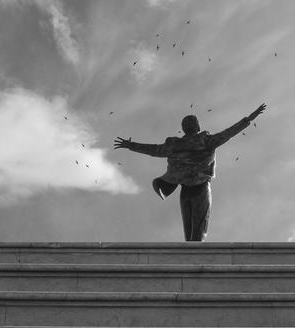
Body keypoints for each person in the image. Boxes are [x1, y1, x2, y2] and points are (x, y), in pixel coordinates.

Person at [113, 103, 266, 241]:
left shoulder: (173, 145)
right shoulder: (205, 141)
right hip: (200, 189)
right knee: (198, 234)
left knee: (190, 235)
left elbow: (153, 150)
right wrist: (251, 117)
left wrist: (131, 145)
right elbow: (230, 132)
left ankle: (189, 265)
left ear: (184, 128)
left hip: (185, 190)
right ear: (198, 127)